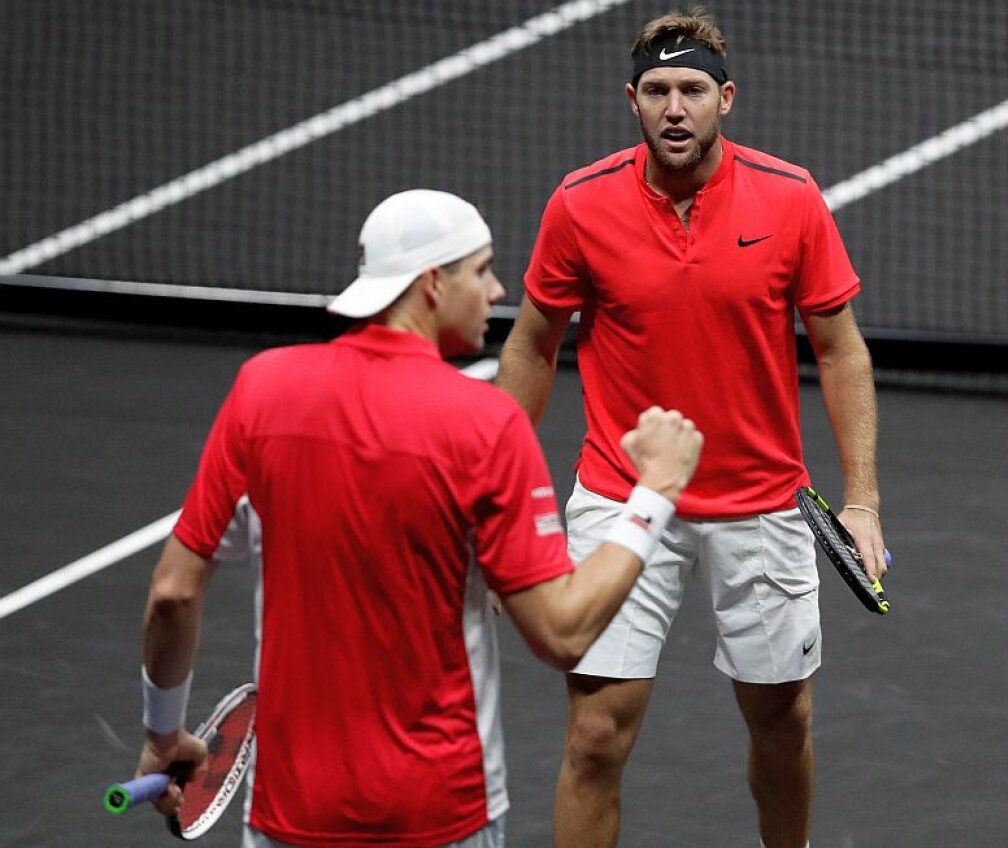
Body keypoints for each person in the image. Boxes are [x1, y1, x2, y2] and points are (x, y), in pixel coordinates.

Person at [132, 188, 703, 848]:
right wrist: (654, 494)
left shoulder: (262, 390)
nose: (494, 292)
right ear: (433, 281)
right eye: (482, 269)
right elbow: (563, 632)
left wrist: (162, 734)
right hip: (441, 809)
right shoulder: (485, 424)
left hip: (289, 813)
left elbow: (172, 594)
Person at [496, 7, 887, 847]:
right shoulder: (579, 204)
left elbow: (842, 351)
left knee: (782, 724)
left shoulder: (791, 198)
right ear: (631, 100)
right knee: (594, 736)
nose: (676, 107)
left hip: (762, 506)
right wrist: (503, 494)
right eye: (659, 90)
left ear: (727, 99)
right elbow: (532, 344)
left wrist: (862, 502)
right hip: (622, 496)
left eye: (694, 90)